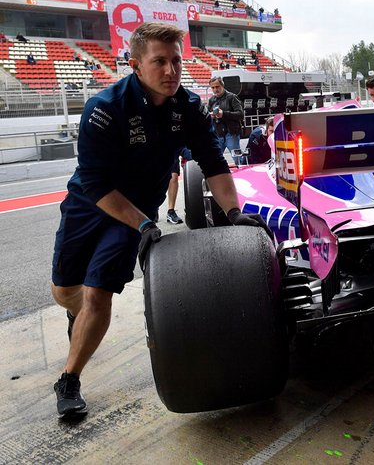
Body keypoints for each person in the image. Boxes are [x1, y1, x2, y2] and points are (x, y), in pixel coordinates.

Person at [50, 22, 269, 418]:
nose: (170, 71)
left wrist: (235, 213)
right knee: (66, 292)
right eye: (159, 62)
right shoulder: (103, 109)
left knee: (98, 295)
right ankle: (75, 312)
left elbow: (214, 163)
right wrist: (144, 222)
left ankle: (69, 379)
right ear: (135, 64)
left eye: (176, 62)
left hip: (134, 219)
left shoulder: (188, 106)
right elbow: (96, 185)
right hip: (88, 206)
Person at [208, 77, 244, 165]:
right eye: (213, 87)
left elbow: (240, 114)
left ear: (222, 86)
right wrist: (211, 115)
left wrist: (224, 114)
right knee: (214, 159)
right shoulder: (211, 100)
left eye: (217, 87)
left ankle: (243, 176)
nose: (215, 89)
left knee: (237, 159)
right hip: (218, 135)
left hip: (231, 134)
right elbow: (207, 115)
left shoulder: (232, 97)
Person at [165, 148, 192, 224]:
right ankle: (154, 208)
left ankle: (171, 211)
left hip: (173, 146)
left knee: (173, 176)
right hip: (155, 145)